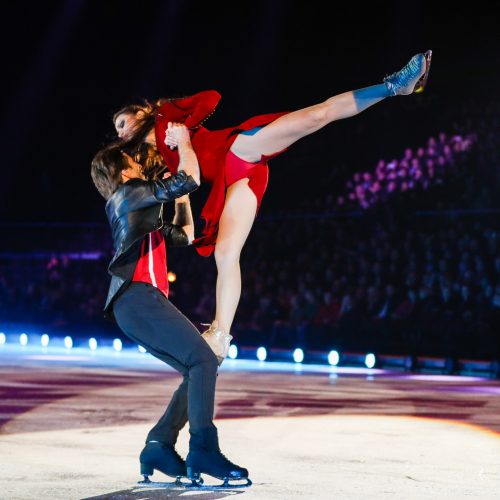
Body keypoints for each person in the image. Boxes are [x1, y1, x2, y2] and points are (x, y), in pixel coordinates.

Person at [112, 50, 432, 361]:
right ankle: (220, 336)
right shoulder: (153, 159)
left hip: (239, 148)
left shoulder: (167, 116)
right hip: (234, 179)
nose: (121, 131)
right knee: (226, 254)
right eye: (117, 130)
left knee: (318, 115)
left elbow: (211, 97)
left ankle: (394, 86)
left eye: (122, 122)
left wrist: (185, 127)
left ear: (139, 114)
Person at [90, 123, 250, 487]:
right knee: (203, 360)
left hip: (138, 303)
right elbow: (190, 179)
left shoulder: (137, 206)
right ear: (124, 171)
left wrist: (177, 191)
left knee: (198, 366)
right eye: (134, 160)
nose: (139, 163)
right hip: (137, 298)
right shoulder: (127, 194)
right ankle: (203, 451)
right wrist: (185, 145)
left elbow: (186, 234)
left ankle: (159, 445)